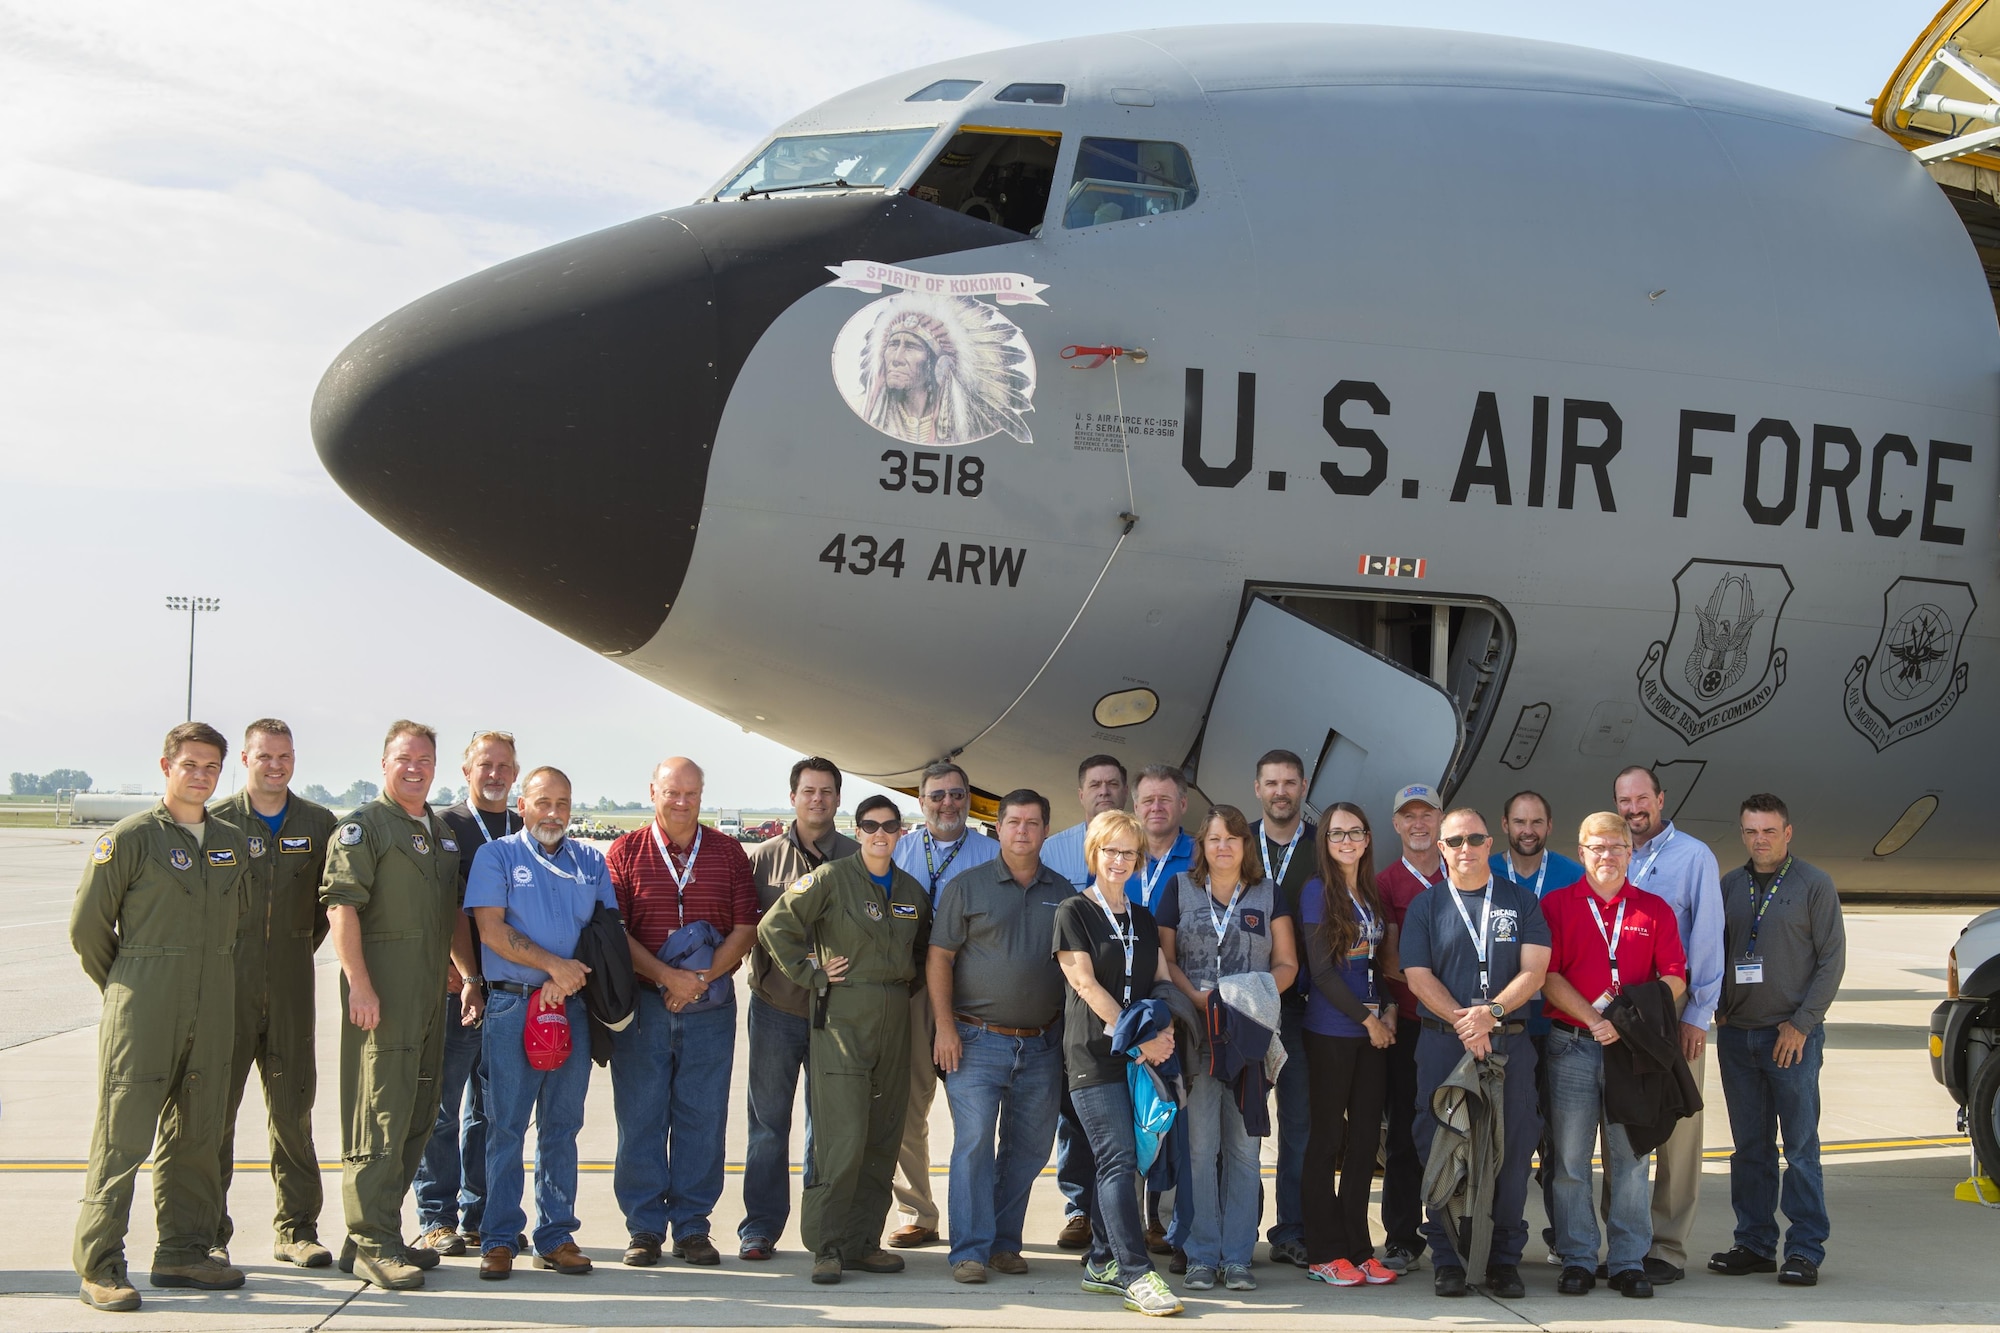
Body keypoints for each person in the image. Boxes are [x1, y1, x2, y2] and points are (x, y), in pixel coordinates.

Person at [71, 722, 252, 1311]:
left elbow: (237, 925)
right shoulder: (129, 840)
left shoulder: (229, 843)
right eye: (190, 765)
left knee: (198, 1136)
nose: (200, 776)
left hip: (213, 1006)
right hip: (145, 1007)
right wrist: (131, 985)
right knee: (122, 1139)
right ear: (166, 766)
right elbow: (89, 929)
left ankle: (184, 1250)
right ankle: (99, 1264)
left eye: (210, 768)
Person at [321, 720, 481, 1290]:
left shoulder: (437, 832)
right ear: (383, 763)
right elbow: (341, 908)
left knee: (417, 1111)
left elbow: (453, 915)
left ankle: (375, 1230)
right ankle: (372, 1241)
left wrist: (468, 976)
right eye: (404, 758)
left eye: (425, 759)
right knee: (379, 1113)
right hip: (382, 994)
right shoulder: (364, 829)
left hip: (430, 997)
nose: (415, 768)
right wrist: (359, 985)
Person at [757, 793, 932, 1285]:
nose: (880, 833)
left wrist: (894, 988)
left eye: (890, 826)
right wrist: (810, 971)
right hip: (842, 1021)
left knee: (882, 1134)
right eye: (871, 825)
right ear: (858, 832)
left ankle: (863, 1242)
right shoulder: (832, 879)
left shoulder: (912, 892)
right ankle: (828, 1246)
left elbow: (921, 952)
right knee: (843, 1138)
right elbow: (776, 925)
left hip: (894, 1018)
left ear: (901, 832)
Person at [464, 766, 617, 1280]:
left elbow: (604, 934)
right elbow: (490, 929)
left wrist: (567, 979)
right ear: (522, 805)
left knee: (562, 1126)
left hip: (570, 1006)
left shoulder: (591, 860)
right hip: (512, 1007)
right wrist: (552, 967)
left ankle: (556, 1236)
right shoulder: (498, 856)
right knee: (505, 1125)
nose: (554, 813)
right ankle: (500, 1237)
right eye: (544, 802)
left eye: (563, 804)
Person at [606, 756, 759, 1267]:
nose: (682, 801)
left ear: (701, 795)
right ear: (653, 792)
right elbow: (615, 933)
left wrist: (698, 981)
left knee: (702, 1117)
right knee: (641, 1117)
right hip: (645, 1008)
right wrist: (667, 977)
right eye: (672, 792)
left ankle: (693, 1226)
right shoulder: (625, 853)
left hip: (709, 1009)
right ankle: (644, 1227)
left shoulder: (729, 852)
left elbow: (745, 928)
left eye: (691, 793)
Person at [1399, 806, 1550, 1300]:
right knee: (1441, 1149)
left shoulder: (1521, 901)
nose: (1466, 849)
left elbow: (1535, 971)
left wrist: (1492, 1014)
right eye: (1455, 841)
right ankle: (1447, 1258)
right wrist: (1467, 1023)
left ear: (1491, 844)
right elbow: (1418, 977)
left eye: (1475, 839)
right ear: (1441, 848)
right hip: (1444, 1044)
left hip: (1508, 1046)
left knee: (1510, 1153)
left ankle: (1504, 1261)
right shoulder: (1426, 906)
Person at [1540, 812, 1688, 1299]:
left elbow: (1674, 976)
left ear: (1631, 852)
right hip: (1573, 1046)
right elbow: (1550, 975)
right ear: (1581, 853)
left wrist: (1628, 1017)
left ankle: (1627, 1261)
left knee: (1630, 1160)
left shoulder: (1654, 910)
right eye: (1596, 848)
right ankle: (1578, 1258)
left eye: (1616, 847)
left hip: (1631, 1053)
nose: (1607, 856)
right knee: (1570, 1161)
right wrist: (1594, 1019)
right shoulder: (1557, 906)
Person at [929, 788, 1072, 1282]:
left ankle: (1004, 1242)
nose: (1023, 831)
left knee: (1029, 1148)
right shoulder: (966, 887)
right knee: (973, 1143)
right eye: (1013, 822)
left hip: (1042, 1043)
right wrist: (944, 1028)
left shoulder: (1065, 890)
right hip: (975, 1040)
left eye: (1033, 823)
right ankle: (969, 1250)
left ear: (1046, 830)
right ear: (999, 827)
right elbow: (939, 958)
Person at [1157, 804, 1299, 1293]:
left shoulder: (1268, 892)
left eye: (1233, 839)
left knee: (1243, 1150)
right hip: (1197, 1035)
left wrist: (1249, 1000)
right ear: (1203, 845)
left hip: (1246, 1040)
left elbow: (1286, 964)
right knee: (1199, 1149)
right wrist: (1196, 999)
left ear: (1246, 846)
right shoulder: (1179, 889)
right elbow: (1166, 959)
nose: (1223, 847)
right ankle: (1201, 1255)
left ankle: (1237, 1257)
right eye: (1214, 838)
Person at [212, 719, 337, 1269]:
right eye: (265, 756)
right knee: (214, 1114)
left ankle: (296, 1228)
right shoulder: (216, 822)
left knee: (293, 1111)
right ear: (245, 759)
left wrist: (287, 950)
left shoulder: (318, 823)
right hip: (226, 988)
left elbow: (325, 909)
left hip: (290, 987)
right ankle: (208, 1231)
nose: (276, 765)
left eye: (285, 756)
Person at [1709, 794, 1845, 1287]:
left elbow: (1832, 961)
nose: (1759, 839)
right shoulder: (1730, 885)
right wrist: (1717, 1007)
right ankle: (1755, 1242)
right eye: (1750, 831)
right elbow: (1713, 951)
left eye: (1768, 831)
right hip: (1738, 1038)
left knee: (1800, 1147)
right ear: (1742, 833)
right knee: (1749, 1147)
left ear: (1787, 833)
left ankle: (1805, 1248)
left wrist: (1802, 1024)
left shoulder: (1814, 885)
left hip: (1792, 1039)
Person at [1053, 809, 1183, 1317]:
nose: (1119, 860)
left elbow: (1162, 977)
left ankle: (1103, 1263)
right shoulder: (1073, 912)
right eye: (1110, 850)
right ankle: (1135, 1273)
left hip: (1139, 1059)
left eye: (1129, 851)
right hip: (1094, 1057)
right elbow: (1085, 985)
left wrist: (1169, 1025)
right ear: (1094, 853)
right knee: (1117, 1160)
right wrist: (1139, 1041)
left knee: (1132, 1159)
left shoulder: (1144, 918)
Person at [740, 756, 858, 1261]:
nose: (818, 800)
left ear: (837, 797)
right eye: (808, 791)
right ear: (793, 797)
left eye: (827, 791)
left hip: (838, 1015)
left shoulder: (857, 857)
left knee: (827, 1126)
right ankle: (760, 1228)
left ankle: (823, 1229)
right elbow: (748, 929)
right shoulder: (763, 858)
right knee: (768, 1124)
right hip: (776, 1009)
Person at [1613, 765, 1723, 1283]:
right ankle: (1625, 1242)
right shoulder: (1611, 853)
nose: (1634, 809)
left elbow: (1706, 940)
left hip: (1673, 1013)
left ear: (1660, 799)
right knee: (1624, 1128)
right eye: (1624, 801)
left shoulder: (1693, 857)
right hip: (1618, 1019)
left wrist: (1698, 1016)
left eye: (1642, 799)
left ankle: (1669, 1248)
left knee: (1679, 1132)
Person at [415, 730, 522, 1256]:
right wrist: (460, 973)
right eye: (485, 764)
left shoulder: (524, 828)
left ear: (516, 772)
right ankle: (436, 1216)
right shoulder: (443, 827)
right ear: (467, 771)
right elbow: (438, 907)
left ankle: (479, 1213)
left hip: (509, 993)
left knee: (493, 1111)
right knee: (440, 1104)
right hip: (457, 989)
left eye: (504, 765)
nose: (495, 774)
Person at [887, 761, 999, 1248]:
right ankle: (918, 1211)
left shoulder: (992, 854)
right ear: (921, 801)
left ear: (968, 799)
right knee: (909, 1103)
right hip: (912, 993)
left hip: (975, 994)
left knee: (975, 1110)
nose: (948, 804)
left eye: (957, 795)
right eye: (937, 796)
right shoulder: (897, 851)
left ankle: (984, 1218)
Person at [1297, 803, 1399, 1288]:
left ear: (1366, 838)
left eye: (1354, 832)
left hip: (1373, 1032)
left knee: (1363, 1143)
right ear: (1326, 840)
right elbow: (1321, 972)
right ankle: (1324, 1251)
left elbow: (1376, 965)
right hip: (1333, 1033)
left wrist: (1389, 1008)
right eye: (1337, 833)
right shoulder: (1317, 892)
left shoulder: (1371, 893)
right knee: (1326, 1142)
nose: (1346, 841)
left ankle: (1359, 1249)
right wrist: (1366, 1020)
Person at [1489, 789, 1583, 1260]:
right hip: (1506, 1027)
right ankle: (1496, 1235)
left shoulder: (1572, 875)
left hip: (1560, 1030)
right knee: (1507, 1139)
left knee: (1560, 1144)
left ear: (1549, 826)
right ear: (1504, 825)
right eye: (1519, 822)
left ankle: (1565, 1242)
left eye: (1537, 822)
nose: (1528, 830)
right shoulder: (1484, 871)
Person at [1042, 755, 1130, 1250]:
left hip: (1129, 1002)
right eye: (1094, 784)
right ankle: (1079, 1209)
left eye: (1112, 783)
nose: (1103, 791)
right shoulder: (1056, 850)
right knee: (1075, 1117)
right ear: (1080, 792)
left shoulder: (1136, 847)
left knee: (1133, 1123)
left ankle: (1134, 1219)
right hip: (1076, 1006)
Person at [1373, 781, 1446, 1274]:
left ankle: (1452, 1231)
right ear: (1396, 824)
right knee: (1403, 1130)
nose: (1418, 824)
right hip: (1410, 1026)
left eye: (1427, 815)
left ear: (1440, 820)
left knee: (1455, 1128)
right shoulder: (1385, 884)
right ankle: (1402, 1236)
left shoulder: (1463, 874)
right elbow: (1387, 959)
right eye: (1409, 816)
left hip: (1459, 1025)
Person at [1249, 749, 1317, 1268]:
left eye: (1289, 782)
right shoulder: (1234, 844)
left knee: (1299, 1127)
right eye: (1272, 782)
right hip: (1246, 1011)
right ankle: (1237, 1230)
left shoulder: (1323, 848)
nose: (1280, 791)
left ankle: (1291, 1229)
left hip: (1303, 1010)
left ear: (1303, 787)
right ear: (1257, 788)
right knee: (1243, 1127)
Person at [1132, 765, 1195, 914]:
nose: (1156, 807)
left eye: (1165, 799)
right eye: (1148, 801)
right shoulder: (1116, 857)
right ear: (1136, 808)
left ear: (1183, 804)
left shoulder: (1204, 856)